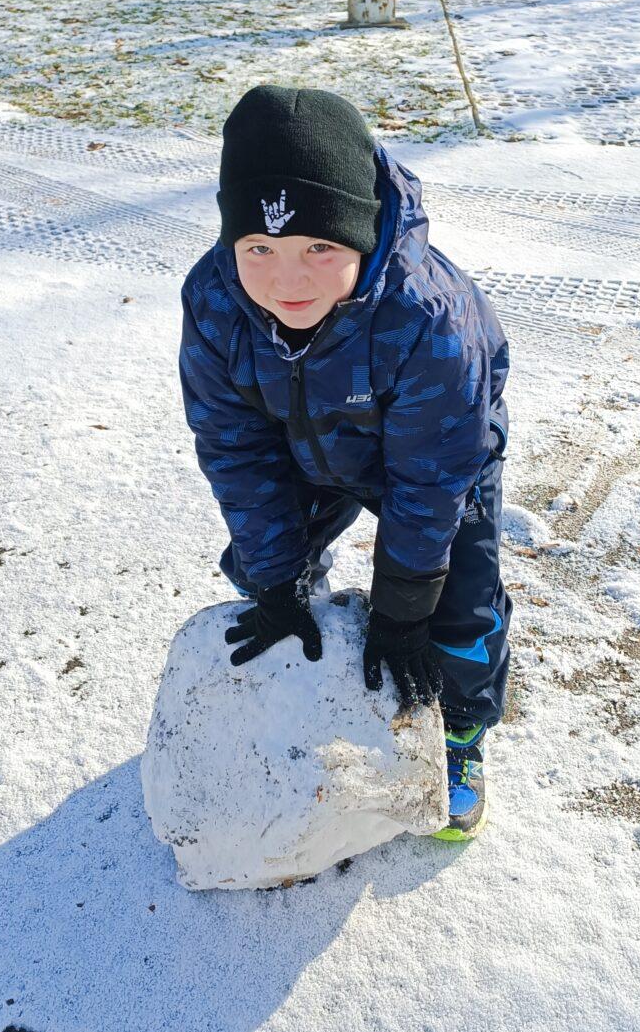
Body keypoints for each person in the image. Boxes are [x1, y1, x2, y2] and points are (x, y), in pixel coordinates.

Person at [179, 85, 511, 842]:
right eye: (258, 248)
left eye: (319, 248)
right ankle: (309, 681)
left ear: (361, 235)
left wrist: (403, 610)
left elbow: (430, 485)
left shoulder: (429, 319)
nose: (287, 281)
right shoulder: (216, 303)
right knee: (269, 569)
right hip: (302, 440)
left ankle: (456, 737)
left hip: (437, 458)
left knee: (454, 605)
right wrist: (275, 575)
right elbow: (235, 446)